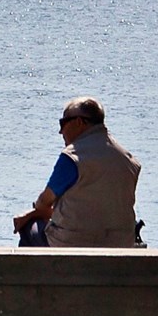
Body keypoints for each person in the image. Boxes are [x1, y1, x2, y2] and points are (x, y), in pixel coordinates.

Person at [11, 95, 142, 248]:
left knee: (29, 227)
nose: (61, 131)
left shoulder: (73, 157)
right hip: (120, 245)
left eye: (63, 122)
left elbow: (42, 203)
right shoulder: (129, 160)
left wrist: (32, 214)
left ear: (79, 122)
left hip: (73, 245)